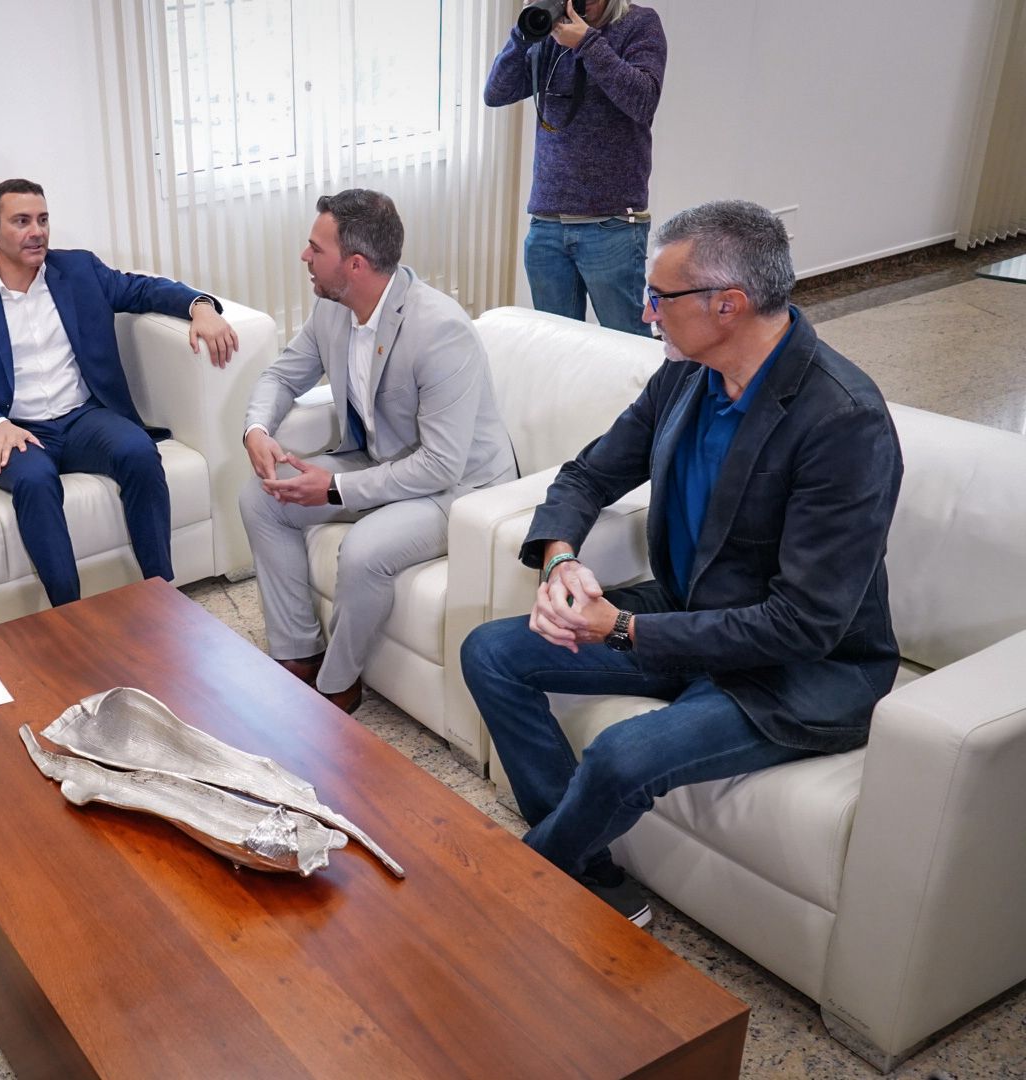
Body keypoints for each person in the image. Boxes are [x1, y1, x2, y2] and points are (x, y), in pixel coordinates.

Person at [459, 200, 903, 927]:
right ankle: (586, 870)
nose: (647, 312)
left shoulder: (843, 420)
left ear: (726, 304)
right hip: (691, 614)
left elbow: (806, 623)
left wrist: (626, 631)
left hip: (795, 673)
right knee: (492, 654)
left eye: (661, 297)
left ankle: (521, 881)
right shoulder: (686, 375)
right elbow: (587, 476)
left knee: (620, 755)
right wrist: (561, 561)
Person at [240, 190, 516, 713]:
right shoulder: (332, 311)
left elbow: (441, 463)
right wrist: (257, 429)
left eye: (314, 249)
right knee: (261, 497)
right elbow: (281, 374)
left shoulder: (440, 330)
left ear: (356, 264)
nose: (304, 258)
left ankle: (336, 686)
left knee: (365, 550)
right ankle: (298, 654)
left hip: (462, 488)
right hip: (381, 461)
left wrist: (336, 485)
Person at [0, 177, 241, 607]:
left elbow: (142, 289)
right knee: (35, 480)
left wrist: (200, 306)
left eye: (43, 219)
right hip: (18, 430)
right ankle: (68, 613)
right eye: (21, 221)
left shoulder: (79, 270)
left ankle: (164, 596)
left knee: (138, 452)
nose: (37, 231)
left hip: (83, 418)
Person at [484, 0, 667, 335]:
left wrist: (587, 43)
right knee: (559, 345)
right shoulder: (550, 31)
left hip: (611, 223)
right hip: (547, 223)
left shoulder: (639, 24)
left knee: (626, 341)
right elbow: (496, 93)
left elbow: (642, 100)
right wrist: (525, 33)